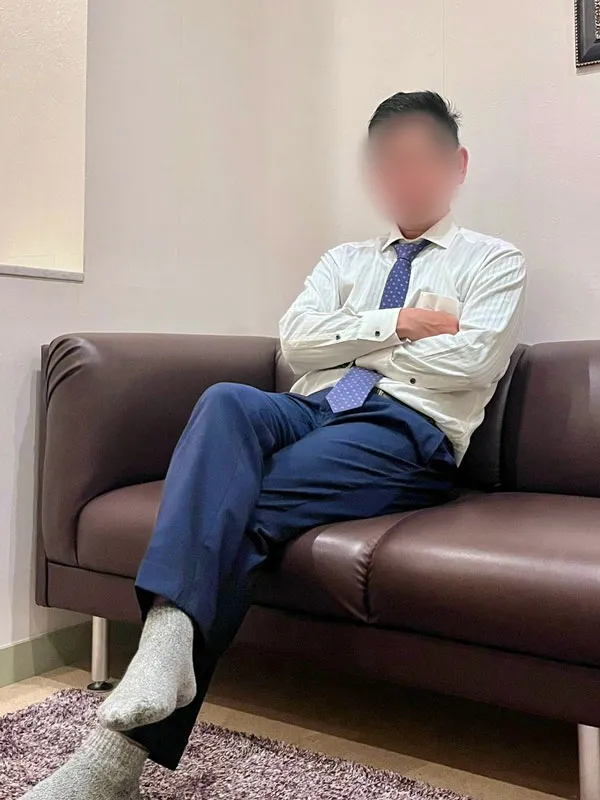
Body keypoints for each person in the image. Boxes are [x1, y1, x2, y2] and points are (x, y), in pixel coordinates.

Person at [23, 90, 525, 798]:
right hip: (313, 406)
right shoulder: (343, 260)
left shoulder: (494, 262)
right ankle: (168, 652)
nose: (404, 174)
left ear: (457, 165)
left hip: (403, 428)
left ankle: (115, 756)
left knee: (238, 508)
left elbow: (470, 363)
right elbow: (296, 343)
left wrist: (352, 338)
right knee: (226, 400)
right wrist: (399, 324)